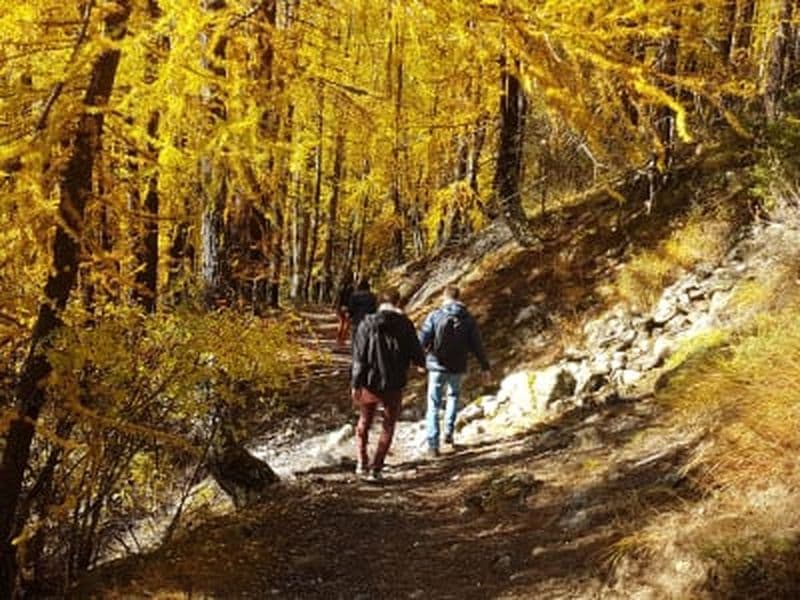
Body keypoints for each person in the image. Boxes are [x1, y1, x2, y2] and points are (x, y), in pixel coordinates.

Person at [351, 287, 426, 481]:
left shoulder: (365, 324)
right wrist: (421, 363)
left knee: (364, 422)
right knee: (388, 425)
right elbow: (415, 349)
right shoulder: (405, 324)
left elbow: (359, 357)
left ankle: (361, 461)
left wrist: (355, 383)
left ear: (379, 303)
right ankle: (377, 467)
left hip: (369, 381)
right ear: (398, 302)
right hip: (394, 382)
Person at [419, 284, 490, 456]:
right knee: (453, 397)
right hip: (458, 366)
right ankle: (449, 433)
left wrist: (419, 361)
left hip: (436, 365)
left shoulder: (435, 316)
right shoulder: (468, 319)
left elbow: (422, 339)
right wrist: (485, 366)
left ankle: (433, 445)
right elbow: (477, 345)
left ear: (444, 297)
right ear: (459, 297)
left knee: (434, 404)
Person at [347, 278, 377, 342]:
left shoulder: (354, 296)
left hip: (357, 320)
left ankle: (355, 351)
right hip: (369, 321)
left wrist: (350, 316)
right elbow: (375, 309)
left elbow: (351, 309)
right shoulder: (372, 296)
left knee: (355, 339)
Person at [334, 272, 354, 345]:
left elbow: (338, 297)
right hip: (346, 306)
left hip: (340, 306)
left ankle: (338, 338)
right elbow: (350, 299)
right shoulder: (351, 288)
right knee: (346, 324)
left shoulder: (341, 286)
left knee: (341, 323)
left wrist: (336, 306)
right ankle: (342, 339)